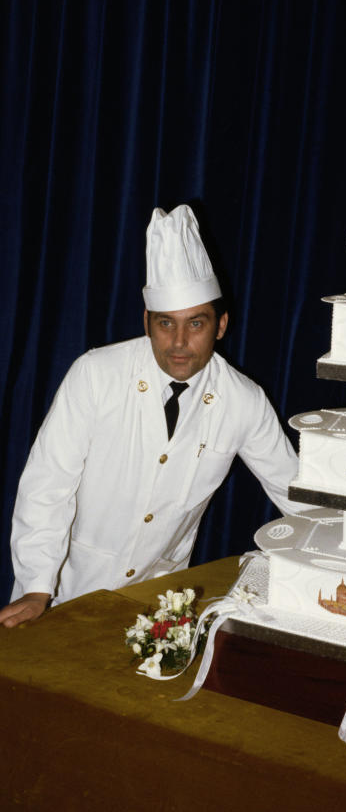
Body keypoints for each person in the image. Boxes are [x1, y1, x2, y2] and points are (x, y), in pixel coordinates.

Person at [0, 205, 309, 628]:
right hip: (64, 590)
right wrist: (38, 585)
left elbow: (295, 492)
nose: (178, 343)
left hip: (160, 604)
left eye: (196, 324)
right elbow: (47, 485)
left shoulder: (244, 400)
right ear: (147, 322)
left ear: (221, 326)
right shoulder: (96, 374)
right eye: (166, 324)